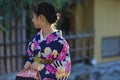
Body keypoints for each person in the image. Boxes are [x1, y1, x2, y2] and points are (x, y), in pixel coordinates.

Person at [24, 1, 71, 80]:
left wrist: (40, 65)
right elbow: (30, 57)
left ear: (41, 18)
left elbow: (65, 70)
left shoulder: (61, 43)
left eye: (33, 16)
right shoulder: (35, 39)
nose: (32, 19)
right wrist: (28, 62)